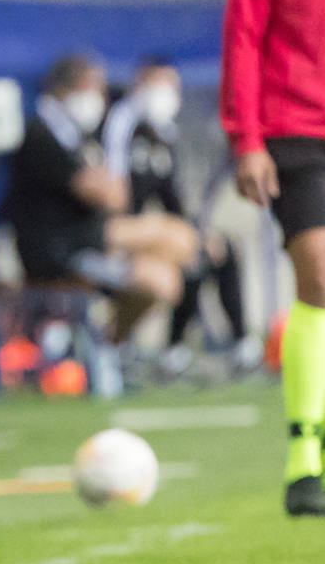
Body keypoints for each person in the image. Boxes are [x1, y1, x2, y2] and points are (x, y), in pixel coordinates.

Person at [220, 0, 325, 516]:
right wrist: (246, 136)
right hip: (295, 127)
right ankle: (303, 457)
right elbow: (245, 33)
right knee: (319, 275)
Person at [6, 55, 198, 346]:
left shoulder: (78, 135)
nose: (98, 97)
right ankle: (103, 348)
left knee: (174, 261)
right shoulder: (41, 133)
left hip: (86, 239)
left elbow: (114, 194)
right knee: (163, 271)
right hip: (60, 251)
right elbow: (105, 195)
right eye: (91, 88)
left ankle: (109, 347)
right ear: (65, 88)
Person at [103, 57, 254, 374]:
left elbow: (171, 198)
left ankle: (233, 344)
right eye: (161, 85)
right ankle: (131, 346)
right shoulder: (120, 122)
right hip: (119, 231)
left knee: (214, 248)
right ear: (140, 84)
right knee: (187, 254)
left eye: (173, 86)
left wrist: (196, 231)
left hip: (148, 232)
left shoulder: (164, 133)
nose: (169, 93)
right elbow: (114, 194)